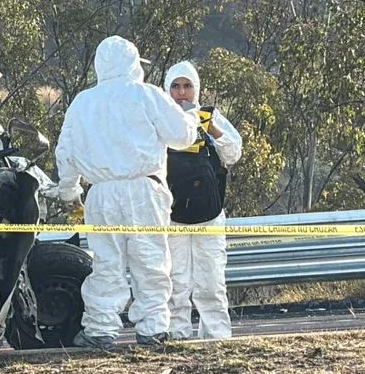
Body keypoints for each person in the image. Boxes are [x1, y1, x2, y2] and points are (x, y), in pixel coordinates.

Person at [53, 36, 199, 348]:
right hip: (145, 189)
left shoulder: (82, 102)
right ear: (134, 63)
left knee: (106, 263)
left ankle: (100, 329)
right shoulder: (147, 95)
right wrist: (190, 115)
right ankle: (153, 328)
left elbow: (65, 151)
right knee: (151, 261)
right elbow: (182, 137)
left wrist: (69, 189)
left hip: (101, 195)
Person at [163, 61, 242, 339]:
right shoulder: (160, 118)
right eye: (175, 86)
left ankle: (217, 338)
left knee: (211, 282)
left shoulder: (210, 117)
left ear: (196, 89)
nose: (181, 93)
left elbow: (233, 155)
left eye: (187, 86)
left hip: (209, 215)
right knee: (176, 283)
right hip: (172, 218)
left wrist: (211, 128)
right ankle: (177, 335)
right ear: (167, 89)